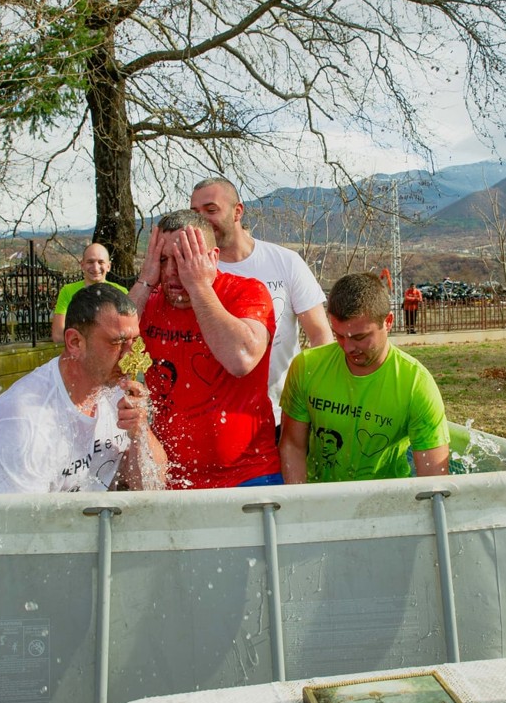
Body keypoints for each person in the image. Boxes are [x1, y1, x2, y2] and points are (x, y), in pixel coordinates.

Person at [129, 210, 280, 488]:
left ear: (212, 257)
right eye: (164, 260)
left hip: (247, 473)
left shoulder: (245, 291)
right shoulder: (149, 300)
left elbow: (240, 359)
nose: (173, 272)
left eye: (186, 258)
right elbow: (109, 352)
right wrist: (146, 281)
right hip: (172, 474)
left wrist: (198, 287)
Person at [0, 283, 167, 493]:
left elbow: (153, 486)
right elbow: (20, 524)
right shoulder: (24, 425)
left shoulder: (114, 391)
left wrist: (140, 431)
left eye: (134, 341)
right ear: (75, 342)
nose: (129, 356)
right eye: (117, 342)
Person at [188, 177, 331, 432]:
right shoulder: (190, 272)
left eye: (211, 210)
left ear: (237, 212)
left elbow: (320, 336)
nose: (202, 220)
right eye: (195, 213)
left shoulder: (285, 262)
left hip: (283, 415)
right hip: (216, 420)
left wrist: (316, 397)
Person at [279, 272, 450, 483]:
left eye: (360, 337)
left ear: (388, 322)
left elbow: (434, 479)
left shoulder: (416, 384)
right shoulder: (307, 366)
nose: (348, 348)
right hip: (320, 500)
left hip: (386, 504)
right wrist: (301, 504)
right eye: (339, 335)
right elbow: (292, 446)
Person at [51, 243, 128, 342]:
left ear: (108, 266)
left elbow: (127, 333)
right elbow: (58, 335)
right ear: (82, 265)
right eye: (90, 262)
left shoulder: (121, 292)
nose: (95, 268)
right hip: (78, 354)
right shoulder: (67, 291)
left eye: (101, 262)